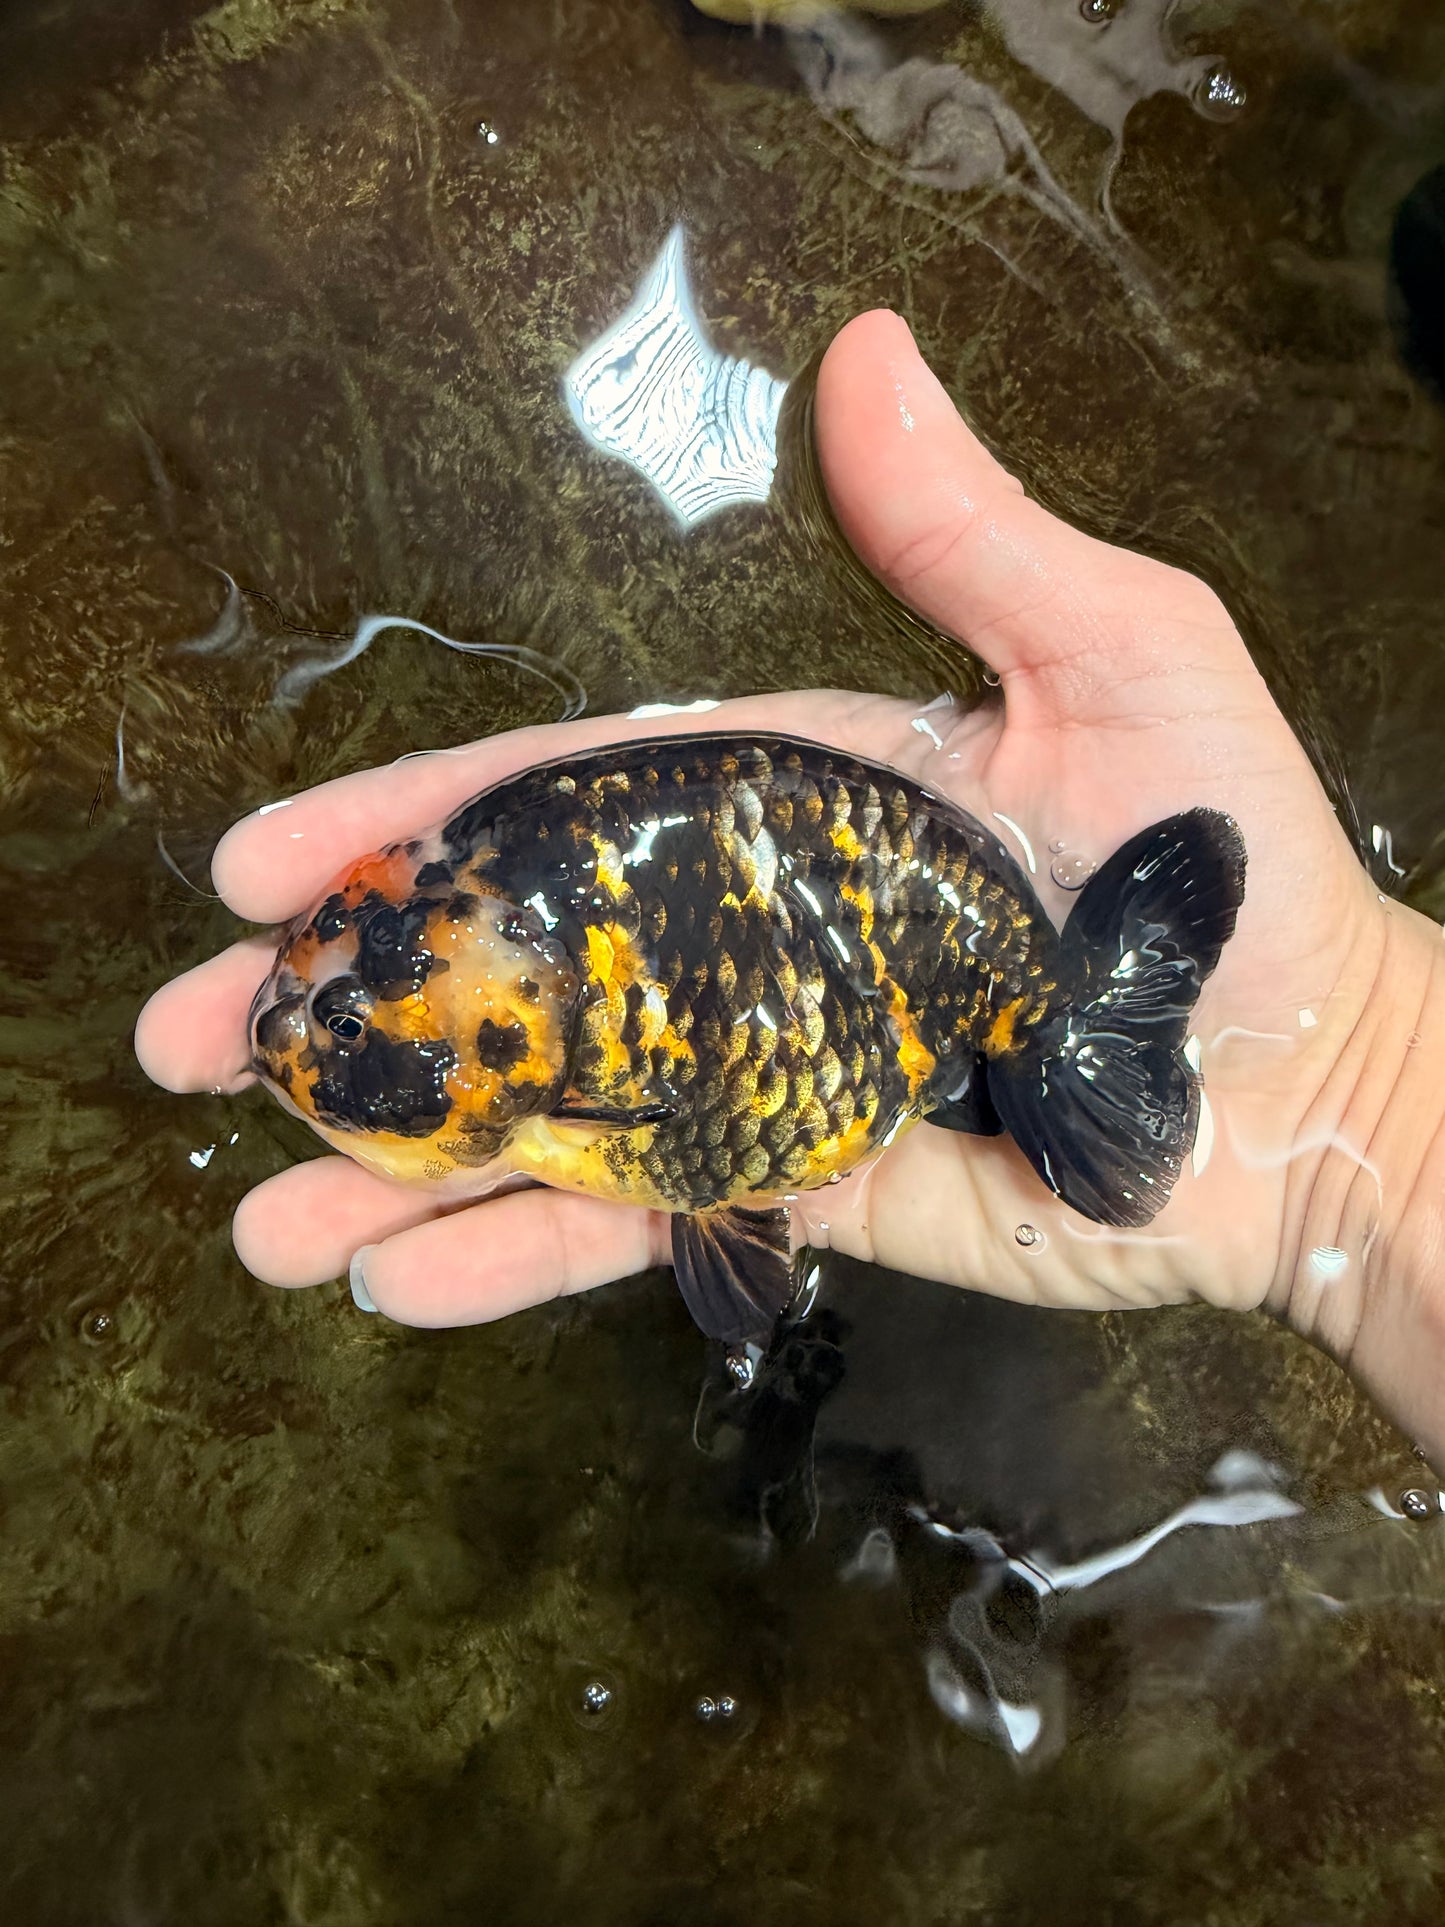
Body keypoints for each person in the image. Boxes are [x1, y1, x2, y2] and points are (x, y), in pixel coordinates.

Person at [135, 310, 1445, 1469]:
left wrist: (1366, 1104)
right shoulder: (516, 951)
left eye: (345, 1022)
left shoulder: (547, 1019)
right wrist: (1361, 1132)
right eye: (333, 1013)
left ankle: (1051, 1036)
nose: (296, 1029)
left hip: (894, 951)